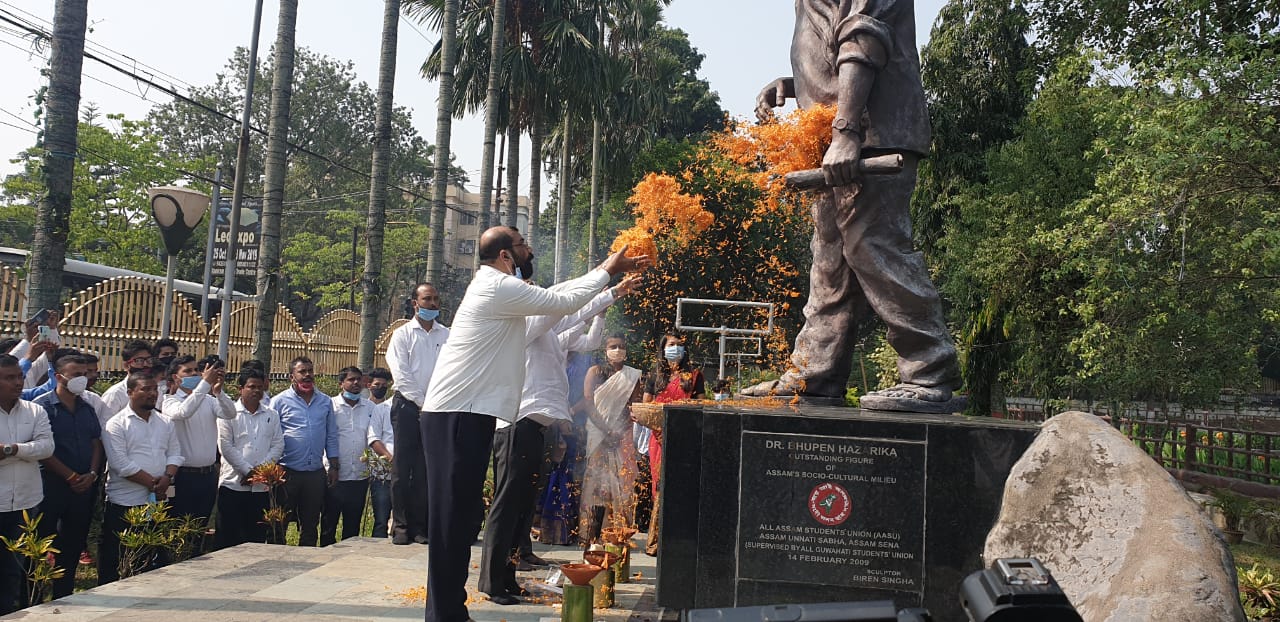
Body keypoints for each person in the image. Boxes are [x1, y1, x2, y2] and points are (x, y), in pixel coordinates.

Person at [420, 226, 649, 622]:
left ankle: (450, 610)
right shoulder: (495, 286)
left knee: (463, 518)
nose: (530, 251)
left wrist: (605, 277)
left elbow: (560, 301)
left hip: (471, 415)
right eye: (523, 245)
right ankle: (443, 614)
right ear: (507, 255)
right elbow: (561, 299)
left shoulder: (508, 296)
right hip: (453, 415)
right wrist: (607, 271)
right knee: (451, 520)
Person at [741, 0, 962, 411]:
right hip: (837, 139)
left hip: (871, 136)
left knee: (871, 245)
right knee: (830, 260)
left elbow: (864, 37)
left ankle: (930, 369)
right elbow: (832, 48)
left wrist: (845, 129)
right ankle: (817, 371)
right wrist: (798, 84)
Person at [480, 275, 635, 604]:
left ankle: (508, 577)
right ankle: (491, 582)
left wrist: (604, 306)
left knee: (522, 507)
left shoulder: (551, 336)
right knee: (506, 506)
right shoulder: (526, 327)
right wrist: (608, 292)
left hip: (537, 427)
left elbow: (585, 332)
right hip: (515, 424)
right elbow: (571, 309)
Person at [99, 373, 183, 585]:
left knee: (152, 551)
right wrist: (153, 484)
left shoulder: (165, 421)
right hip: (126, 501)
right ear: (130, 392)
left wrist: (167, 477)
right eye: (145, 389)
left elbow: (175, 453)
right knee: (120, 555)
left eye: (154, 389)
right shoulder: (116, 424)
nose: (152, 394)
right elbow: (120, 464)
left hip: (157, 501)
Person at [30, 354, 102, 599]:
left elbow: (95, 443)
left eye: (85, 374)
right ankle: (34, 596)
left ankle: (65, 593)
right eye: (77, 375)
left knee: (71, 544)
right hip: (50, 486)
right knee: (40, 544)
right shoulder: (41, 407)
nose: (83, 379)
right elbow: (42, 450)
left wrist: (92, 473)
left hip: (83, 486)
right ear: (59, 377)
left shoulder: (87, 408)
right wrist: (70, 476)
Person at [384, 283, 449, 545]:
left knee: (426, 471)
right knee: (402, 469)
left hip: (436, 409)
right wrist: (423, 403)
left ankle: (421, 527)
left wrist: (434, 404)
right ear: (415, 303)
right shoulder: (402, 335)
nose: (432, 304)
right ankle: (400, 526)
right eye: (427, 299)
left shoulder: (447, 335)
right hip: (408, 408)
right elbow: (402, 374)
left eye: (435, 299)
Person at [640, 332, 704, 556]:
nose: (676, 347)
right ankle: (656, 542)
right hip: (658, 439)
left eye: (679, 344)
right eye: (671, 344)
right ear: (663, 349)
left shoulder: (694, 375)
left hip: (684, 438)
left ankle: (679, 539)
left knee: (681, 486)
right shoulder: (655, 376)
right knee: (660, 487)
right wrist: (659, 427)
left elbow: (700, 407)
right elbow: (645, 408)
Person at [0, 354, 54, 614]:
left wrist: (11, 450)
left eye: (19, 377)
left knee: (15, 569)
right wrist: (26, 452)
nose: (18, 383)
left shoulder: (35, 411)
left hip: (24, 503)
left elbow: (46, 447)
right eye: (9, 378)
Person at [579, 336, 644, 538]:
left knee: (621, 483)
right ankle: (591, 533)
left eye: (621, 347)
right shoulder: (595, 371)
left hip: (621, 435)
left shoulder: (632, 376)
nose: (617, 350)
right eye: (613, 347)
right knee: (597, 484)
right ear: (605, 350)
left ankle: (616, 533)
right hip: (598, 433)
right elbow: (589, 402)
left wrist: (620, 432)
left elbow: (633, 406)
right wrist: (606, 430)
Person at [161, 354, 235, 523]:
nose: (194, 374)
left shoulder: (208, 400)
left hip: (207, 475)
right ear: (176, 377)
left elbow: (230, 413)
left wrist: (218, 391)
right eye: (188, 371)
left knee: (200, 525)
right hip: (183, 477)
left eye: (196, 370)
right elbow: (183, 412)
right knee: (179, 525)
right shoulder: (169, 401)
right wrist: (204, 385)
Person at [274, 356, 339, 547]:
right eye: (302, 371)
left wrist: (334, 466)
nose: (308, 375)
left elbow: (331, 436)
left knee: (310, 523)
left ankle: (307, 564)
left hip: (315, 474)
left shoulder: (325, 402)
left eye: (310, 370)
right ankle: (276, 560)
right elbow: (271, 435)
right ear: (291, 376)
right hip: (286, 472)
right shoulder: (279, 402)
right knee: (280, 522)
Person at [216, 365, 284, 549]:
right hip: (233, 484)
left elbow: (278, 444)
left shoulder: (272, 414)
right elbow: (225, 446)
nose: (256, 391)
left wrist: (260, 473)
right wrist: (247, 471)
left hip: (261, 488)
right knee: (228, 537)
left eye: (259, 387)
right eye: (251, 386)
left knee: (255, 537)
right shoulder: (228, 413)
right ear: (240, 389)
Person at [320, 367, 374, 545]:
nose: (356, 383)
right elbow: (326, 437)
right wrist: (329, 467)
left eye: (358, 379)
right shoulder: (330, 406)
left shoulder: (370, 407)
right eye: (351, 380)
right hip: (335, 474)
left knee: (353, 525)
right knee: (329, 522)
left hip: (359, 475)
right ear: (341, 383)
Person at [365, 368, 394, 539]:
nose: (381, 388)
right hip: (383, 473)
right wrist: (391, 459)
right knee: (381, 520)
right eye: (377, 384)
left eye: (384, 385)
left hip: (406, 474)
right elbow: (374, 439)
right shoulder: (381, 409)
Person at [100, 340, 154, 415]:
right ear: (126, 365)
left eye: (149, 360)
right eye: (139, 361)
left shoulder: (156, 392)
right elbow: (104, 425)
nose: (145, 364)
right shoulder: (115, 394)